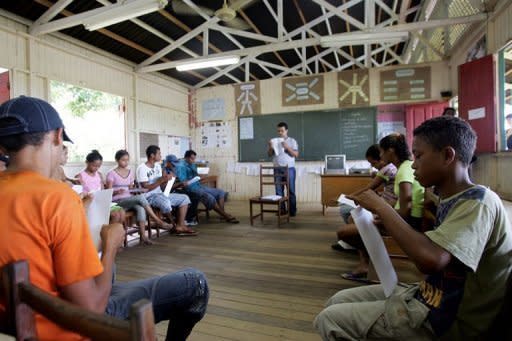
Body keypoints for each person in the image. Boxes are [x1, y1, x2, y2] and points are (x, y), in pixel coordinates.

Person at [0, 96, 209, 341]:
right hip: (72, 325)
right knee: (195, 283)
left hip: (21, 321)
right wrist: (110, 246)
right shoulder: (55, 197)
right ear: (57, 136)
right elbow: (92, 309)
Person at [315, 116, 512, 340]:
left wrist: (383, 208)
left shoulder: (479, 202)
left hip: (448, 319)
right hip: (431, 296)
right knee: (337, 300)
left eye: (419, 155)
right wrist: (387, 221)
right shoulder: (450, 198)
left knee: (330, 319)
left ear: (448, 156)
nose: (414, 164)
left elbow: (431, 260)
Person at [338, 134, 424, 280]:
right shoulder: (405, 167)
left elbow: (406, 208)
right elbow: (402, 203)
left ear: (391, 151)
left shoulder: (403, 171)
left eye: (383, 151)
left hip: (408, 223)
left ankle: (373, 262)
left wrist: (384, 217)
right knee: (356, 220)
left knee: (343, 233)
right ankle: (367, 263)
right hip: (403, 217)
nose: (381, 155)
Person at [332, 144, 397, 253]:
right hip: (384, 202)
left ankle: (354, 242)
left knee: (347, 210)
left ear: (382, 158)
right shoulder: (391, 168)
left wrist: (347, 197)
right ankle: (353, 240)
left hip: (385, 205)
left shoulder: (385, 170)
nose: (373, 166)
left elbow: (368, 188)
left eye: (374, 163)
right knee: (351, 213)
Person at [106, 149, 174, 245]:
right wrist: (116, 191)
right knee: (141, 198)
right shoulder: (111, 174)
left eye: (127, 160)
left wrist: (136, 190)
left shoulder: (130, 172)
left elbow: (130, 189)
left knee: (140, 207)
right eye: (123, 160)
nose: (125, 162)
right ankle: (158, 221)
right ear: (117, 160)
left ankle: (143, 237)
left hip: (129, 199)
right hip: (118, 202)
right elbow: (108, 193)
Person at [136, 145, 197, 235]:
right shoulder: (142, 168)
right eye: (159, 153)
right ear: (152, 155)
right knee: (166, 203)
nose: (161, 156)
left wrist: (169, 180)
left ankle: (180, 225)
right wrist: (161, 180)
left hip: (160, 193)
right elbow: (145, 188)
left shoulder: (157, 166)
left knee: (184, 198)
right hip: (149, 197)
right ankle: (173, 226)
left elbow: (162, 186)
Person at [176, 150, 239, 224]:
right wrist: (195, 177)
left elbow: (196, 176)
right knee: (209, 197)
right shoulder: (181, 166)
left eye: (194, 158)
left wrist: (200, 176)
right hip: (190, 189)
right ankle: (226, 216)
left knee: (221, 192)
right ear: (186, 158)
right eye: (192, 159)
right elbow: (183, 181)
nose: (193, 160)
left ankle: (222, 214)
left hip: (198, 185)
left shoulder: (192, 164)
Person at [77, 149, 125, 224]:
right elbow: (79, 195)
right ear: (87, 162)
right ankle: (106, 232)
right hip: (90, 204)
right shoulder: (80, 176)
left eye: (98, 166)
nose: (96, 168)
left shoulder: (99, 175)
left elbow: (103, 191)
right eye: (94, 165)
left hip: (101, 202)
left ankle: (112, 232)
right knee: (115, 215)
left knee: (121, 212)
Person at [267, 122, 299, 216]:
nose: (280, 132)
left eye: (282, 131)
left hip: (289, 169)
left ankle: (292, 211)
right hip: (277, 169)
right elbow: (269, 155)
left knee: (291, 190)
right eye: (279, 131)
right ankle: (282, 210)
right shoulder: (274, 141)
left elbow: (296, 154)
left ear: (286, 131)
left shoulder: (292, 141)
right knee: (278, 191)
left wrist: (287, 147)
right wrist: (270, 146)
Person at [164, 154, 199, 226]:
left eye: (175, 165)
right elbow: (167, 189)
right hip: (169, 192)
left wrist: (183, 183)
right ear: (167, 163)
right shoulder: (165, 172)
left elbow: (176, 182)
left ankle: (187, 218)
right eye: (173, 165)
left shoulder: (173, 170)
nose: (174, 166)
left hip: (176, 189)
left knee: (195, 195)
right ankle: (186, 219)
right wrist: (180, 184)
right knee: (192, 196)